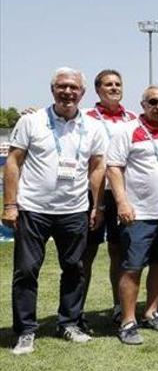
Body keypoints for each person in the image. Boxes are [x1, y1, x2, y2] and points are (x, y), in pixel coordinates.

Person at [4, 67, 106, 355]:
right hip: (33, 209)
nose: (68, 92)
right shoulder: (31, 121)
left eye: (74, 88)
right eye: (62, 86)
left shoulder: (93, 127)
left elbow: (97, 166)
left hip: (74, 209)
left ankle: (69, 323)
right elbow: (13, 162)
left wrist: (96, 205)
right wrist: (10, 205)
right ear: (52, 90)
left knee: (74, 268)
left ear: (82, 93)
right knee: (26, 271)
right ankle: (25, 331)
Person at [106, 85, 158, 345]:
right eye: (153, 101)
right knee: (132, 267)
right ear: (143, 104)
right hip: (139, 213)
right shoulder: (127, 131)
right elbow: (114, 168)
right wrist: (122, 203)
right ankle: (127, 321)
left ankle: (151, 312)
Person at [83, 69, 137, 323]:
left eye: (118, 83)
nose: (114, 88)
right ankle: (75, 310)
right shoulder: (84, 117)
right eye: (108, 84)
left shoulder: (134, 118)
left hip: (122, 194)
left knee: (119, 251)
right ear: (97, 89)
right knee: (86, 252)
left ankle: (119, 306)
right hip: (91, 194)